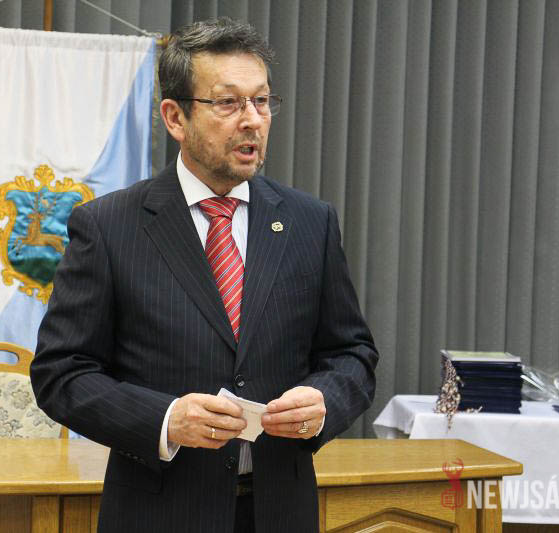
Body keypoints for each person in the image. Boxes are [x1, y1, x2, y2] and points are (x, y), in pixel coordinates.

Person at [31, 17, 378, 533]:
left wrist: (325, 401)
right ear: (175, 117)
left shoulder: (311, 222)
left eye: (262, 101)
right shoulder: (109, 226)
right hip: (159, 513)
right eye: (228, 103)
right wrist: (166, 419)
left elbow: (352, 354)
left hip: (280, 511)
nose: (252, 121)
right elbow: (62, 374)